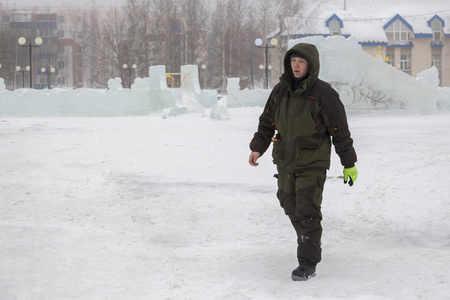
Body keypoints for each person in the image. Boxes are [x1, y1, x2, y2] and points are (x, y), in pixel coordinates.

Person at [248, 42, 358, 281]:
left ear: (311, 65)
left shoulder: (323, 93)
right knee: (289, 205)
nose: (296, 66)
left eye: (301, 62)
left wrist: (348, 163)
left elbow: (339, 130)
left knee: (307, 210)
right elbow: (267, 123)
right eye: (293, 61)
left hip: (312, 162)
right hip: (285, 161)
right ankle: (309, 241)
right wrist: (258, 148)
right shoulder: (280, 90)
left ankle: (307, 262)